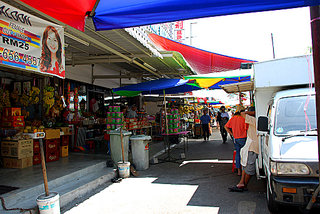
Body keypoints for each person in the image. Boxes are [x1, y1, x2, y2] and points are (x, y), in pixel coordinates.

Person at [229, 107, 259, 192]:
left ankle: (243, 184)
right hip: (248, 143)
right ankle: (242, 182)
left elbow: (243, 114)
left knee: (248, 165)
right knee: (245, 163)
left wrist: (252, 112)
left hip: (252, 146)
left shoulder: (253, 120)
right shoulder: (254, 120)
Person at [224, 105, 248, 175]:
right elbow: (247, 129)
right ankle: (244, 170)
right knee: (244, 154)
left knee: (238, 153)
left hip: (236, 138)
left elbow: (225, 126)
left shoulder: (233, 118)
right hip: (243, 138)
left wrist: (231, 134)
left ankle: (239, 170)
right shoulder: (244, 119)